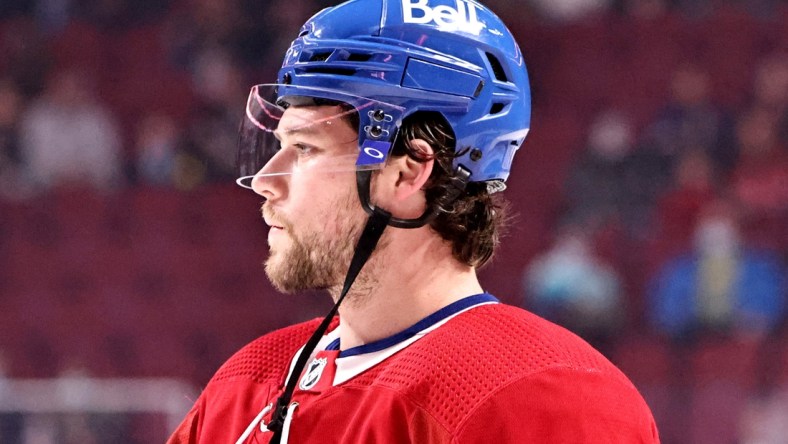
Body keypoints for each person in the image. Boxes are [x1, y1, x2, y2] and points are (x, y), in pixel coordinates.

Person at [168, 0, 659, 442]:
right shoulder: (244, 388)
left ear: (408, 172)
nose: (266, 180)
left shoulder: (548, 399)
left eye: (305, 148)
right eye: (278, 146)